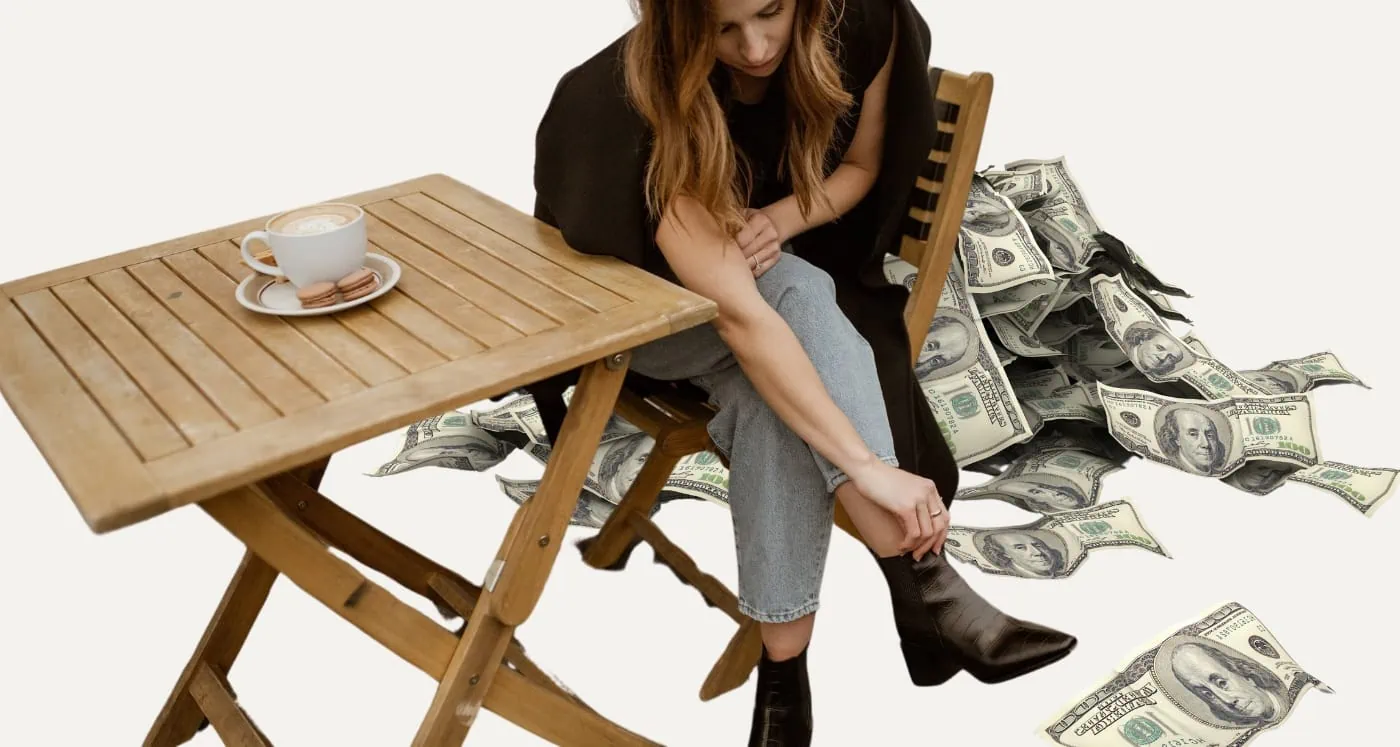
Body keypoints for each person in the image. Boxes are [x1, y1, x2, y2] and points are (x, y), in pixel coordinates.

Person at [530, 1, 1076, 742]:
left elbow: (859, 170)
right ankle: (926, 588)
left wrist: (777, 221)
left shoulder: (858, 22)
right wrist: (865, 467)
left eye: (771, 12)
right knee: (795, 294)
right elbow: (742, 319)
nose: (755, 48)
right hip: (637, 320)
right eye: (725, 29)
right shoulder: (637, 103)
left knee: (771, 394)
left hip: (743, 288)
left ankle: (783, 683)